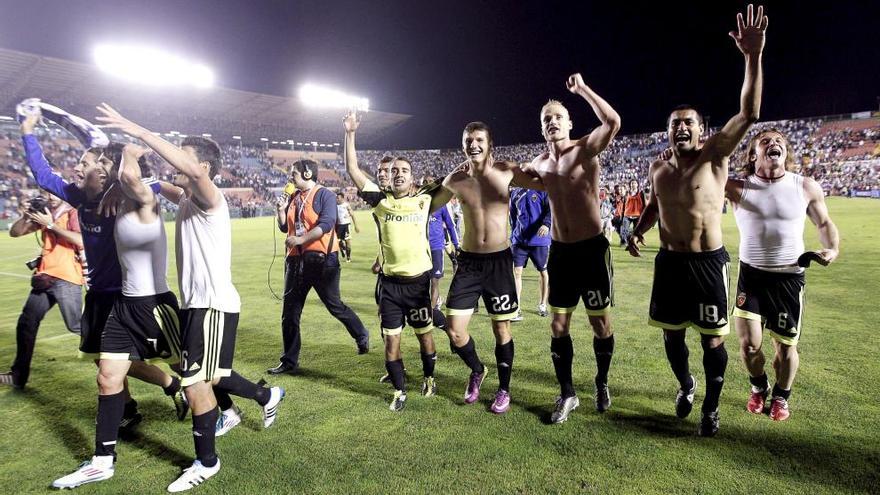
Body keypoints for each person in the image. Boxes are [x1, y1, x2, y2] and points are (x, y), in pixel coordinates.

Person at [93, 104, 284, 491]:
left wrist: (138, 131)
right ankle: (264, 396)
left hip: (212, 303)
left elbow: (191, 173)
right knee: (211, 377)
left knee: (197, 382)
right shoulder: (186, 198)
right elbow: (158, 186)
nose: (175, 162)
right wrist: (119, 184)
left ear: (206, 169)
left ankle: (206, 462)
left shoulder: (211, 197)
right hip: (196, 304)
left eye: (184, 155)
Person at [626, 4, 768, 437]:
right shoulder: (659, 167)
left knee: (712, 339)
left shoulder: (716, 155)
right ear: (668, 132)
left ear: (702, 129)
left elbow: (749, 113)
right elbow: (655, 205)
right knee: (672, 338)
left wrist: (752, 56)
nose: (680, 129)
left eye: (688, 123)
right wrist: (637, 228)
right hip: (670, 264)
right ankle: (686, 385)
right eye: (674, 125)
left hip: (708, 262)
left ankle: (710, 404)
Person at [18, 112, 186, 435]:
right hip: (96, 294)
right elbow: (43, 175)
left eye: (85, 162)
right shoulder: (80, 197)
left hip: (128, 295)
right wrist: (28, 131)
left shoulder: (125, 198)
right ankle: (130, 407)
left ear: (105, 172)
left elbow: (148, 186)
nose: (77, 168)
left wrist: (119, 188)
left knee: (172, 355)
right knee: (101, 360)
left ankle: (208, 393)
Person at [52, 143, 189, 489]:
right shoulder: (107, 198)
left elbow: (138, 180)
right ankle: (102, 461)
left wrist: (128, 159)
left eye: (101, 163)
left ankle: (246, 400)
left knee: (192, 371)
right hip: (122, 305)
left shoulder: (142, 194)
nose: (94, 168)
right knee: (107, 376)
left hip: (155, 302)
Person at [523, 73, 621, 423]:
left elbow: (612, 121)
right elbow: (510, 175)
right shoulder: (539, 164)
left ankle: (601, 381)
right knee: (558, 326)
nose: (552, 122)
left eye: (557, 117)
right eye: (546, 119)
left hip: (593, 251)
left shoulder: (585, 148)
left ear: (569, 123)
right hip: (561, 252)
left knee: (600, 325)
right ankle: (567, 393)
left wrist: (581, 90)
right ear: (542, 128)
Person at [727, 128, 839, 421]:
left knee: (786, 348)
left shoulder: (805, 186)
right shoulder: (738, 187)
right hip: (751, 276)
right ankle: (758, 386)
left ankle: (780, 396)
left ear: (786, 152)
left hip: (789, 278)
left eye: (779, 141)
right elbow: (700, 176)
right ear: (753, 155)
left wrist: (832, 249)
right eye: (765, 142)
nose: (773, 144)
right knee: (750, 346)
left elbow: (824, 222)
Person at [344, 111, 452, 411]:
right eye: (394, 171)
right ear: (388, 177)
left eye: (404, 169)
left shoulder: (425, 200)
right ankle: (399, 390)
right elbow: (352, 168)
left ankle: (430, 377)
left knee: (425, 338)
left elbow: (455, 183)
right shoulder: (379, 200)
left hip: (419, 285)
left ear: (412, 176)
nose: (399, 173)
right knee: (391, 342)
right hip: (390, 287)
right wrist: (350, 132)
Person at [441, 121, 543, 414]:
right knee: (455, 330)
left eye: (479, 139)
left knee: (501, 328)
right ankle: (476, 370)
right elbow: (428, 203)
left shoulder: (505, 171)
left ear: (490, 144)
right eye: (468, 140)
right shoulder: (455, 179)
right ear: (463, 145)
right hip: (469, 262)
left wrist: (537, 166)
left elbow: (545, 183)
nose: (473, 144)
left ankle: (504, 389)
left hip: (499, 261)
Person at [267, 159, 370, 376]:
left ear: (306, 174)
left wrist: (301, 239)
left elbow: (326, 224)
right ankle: (289, 361)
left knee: (334, 305)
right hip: (296, 262)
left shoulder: (325, 195)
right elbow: (285, 227)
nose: (290, 177)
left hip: (322, 262)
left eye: (293, 173)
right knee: (290, 313)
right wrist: (280, 210)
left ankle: (361, 334)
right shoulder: (294, 197)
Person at [0, 192, 84, 389]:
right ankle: (18, 376)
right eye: (46, 192)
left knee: (76, 326)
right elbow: (16, 232)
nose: (50, 196)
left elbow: (81, 240)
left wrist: (51, 224)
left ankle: (120, 348)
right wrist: (26, 216)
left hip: (67, 278)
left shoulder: (72, 212)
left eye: (53, 191)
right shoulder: (45, 213)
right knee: (26, 322)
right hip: (45, 278)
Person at [508, 187, 551, 321]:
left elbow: (551, 210)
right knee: (517, 272)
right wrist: (513, 235)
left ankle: (543, 304)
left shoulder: (542, 190)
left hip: (539, 240)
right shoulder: (515, 192)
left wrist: (547, 224)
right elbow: (512, 215)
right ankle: (516, 307)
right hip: (520, 240)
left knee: (543, 271)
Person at [428, 183, 460, 311]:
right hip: (420, 248)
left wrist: (457, 245)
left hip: (436, 246)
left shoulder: (441, 206)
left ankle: (432, 310)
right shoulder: (419, 205)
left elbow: (450, 225)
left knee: (434, 281)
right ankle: (436, 301)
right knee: (423, 281)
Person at [619, 179, 646, 245]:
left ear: (637, 184)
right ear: (630, 185)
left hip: (637, 215)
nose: (633, 184)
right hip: (627, 215)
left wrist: (644, 215)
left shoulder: (641, 193)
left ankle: (635, 242)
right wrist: (622, 216)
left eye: (634, 183)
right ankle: (627, 242)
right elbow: (624, 205)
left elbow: (644, 204)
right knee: (625, 230)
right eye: (631, 183)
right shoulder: (627, 193)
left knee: (637, 230)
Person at [336, 192, 359, 262]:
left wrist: (356, 226)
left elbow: (352, 215)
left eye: (338, 198)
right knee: (337, 241)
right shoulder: (335, 205)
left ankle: (348, 258)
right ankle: (343, 248)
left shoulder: (346, 205)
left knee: (347, 241)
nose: (337, 199)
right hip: (338, 225)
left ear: (342, 198)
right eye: (336, 198)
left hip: (346, 225)